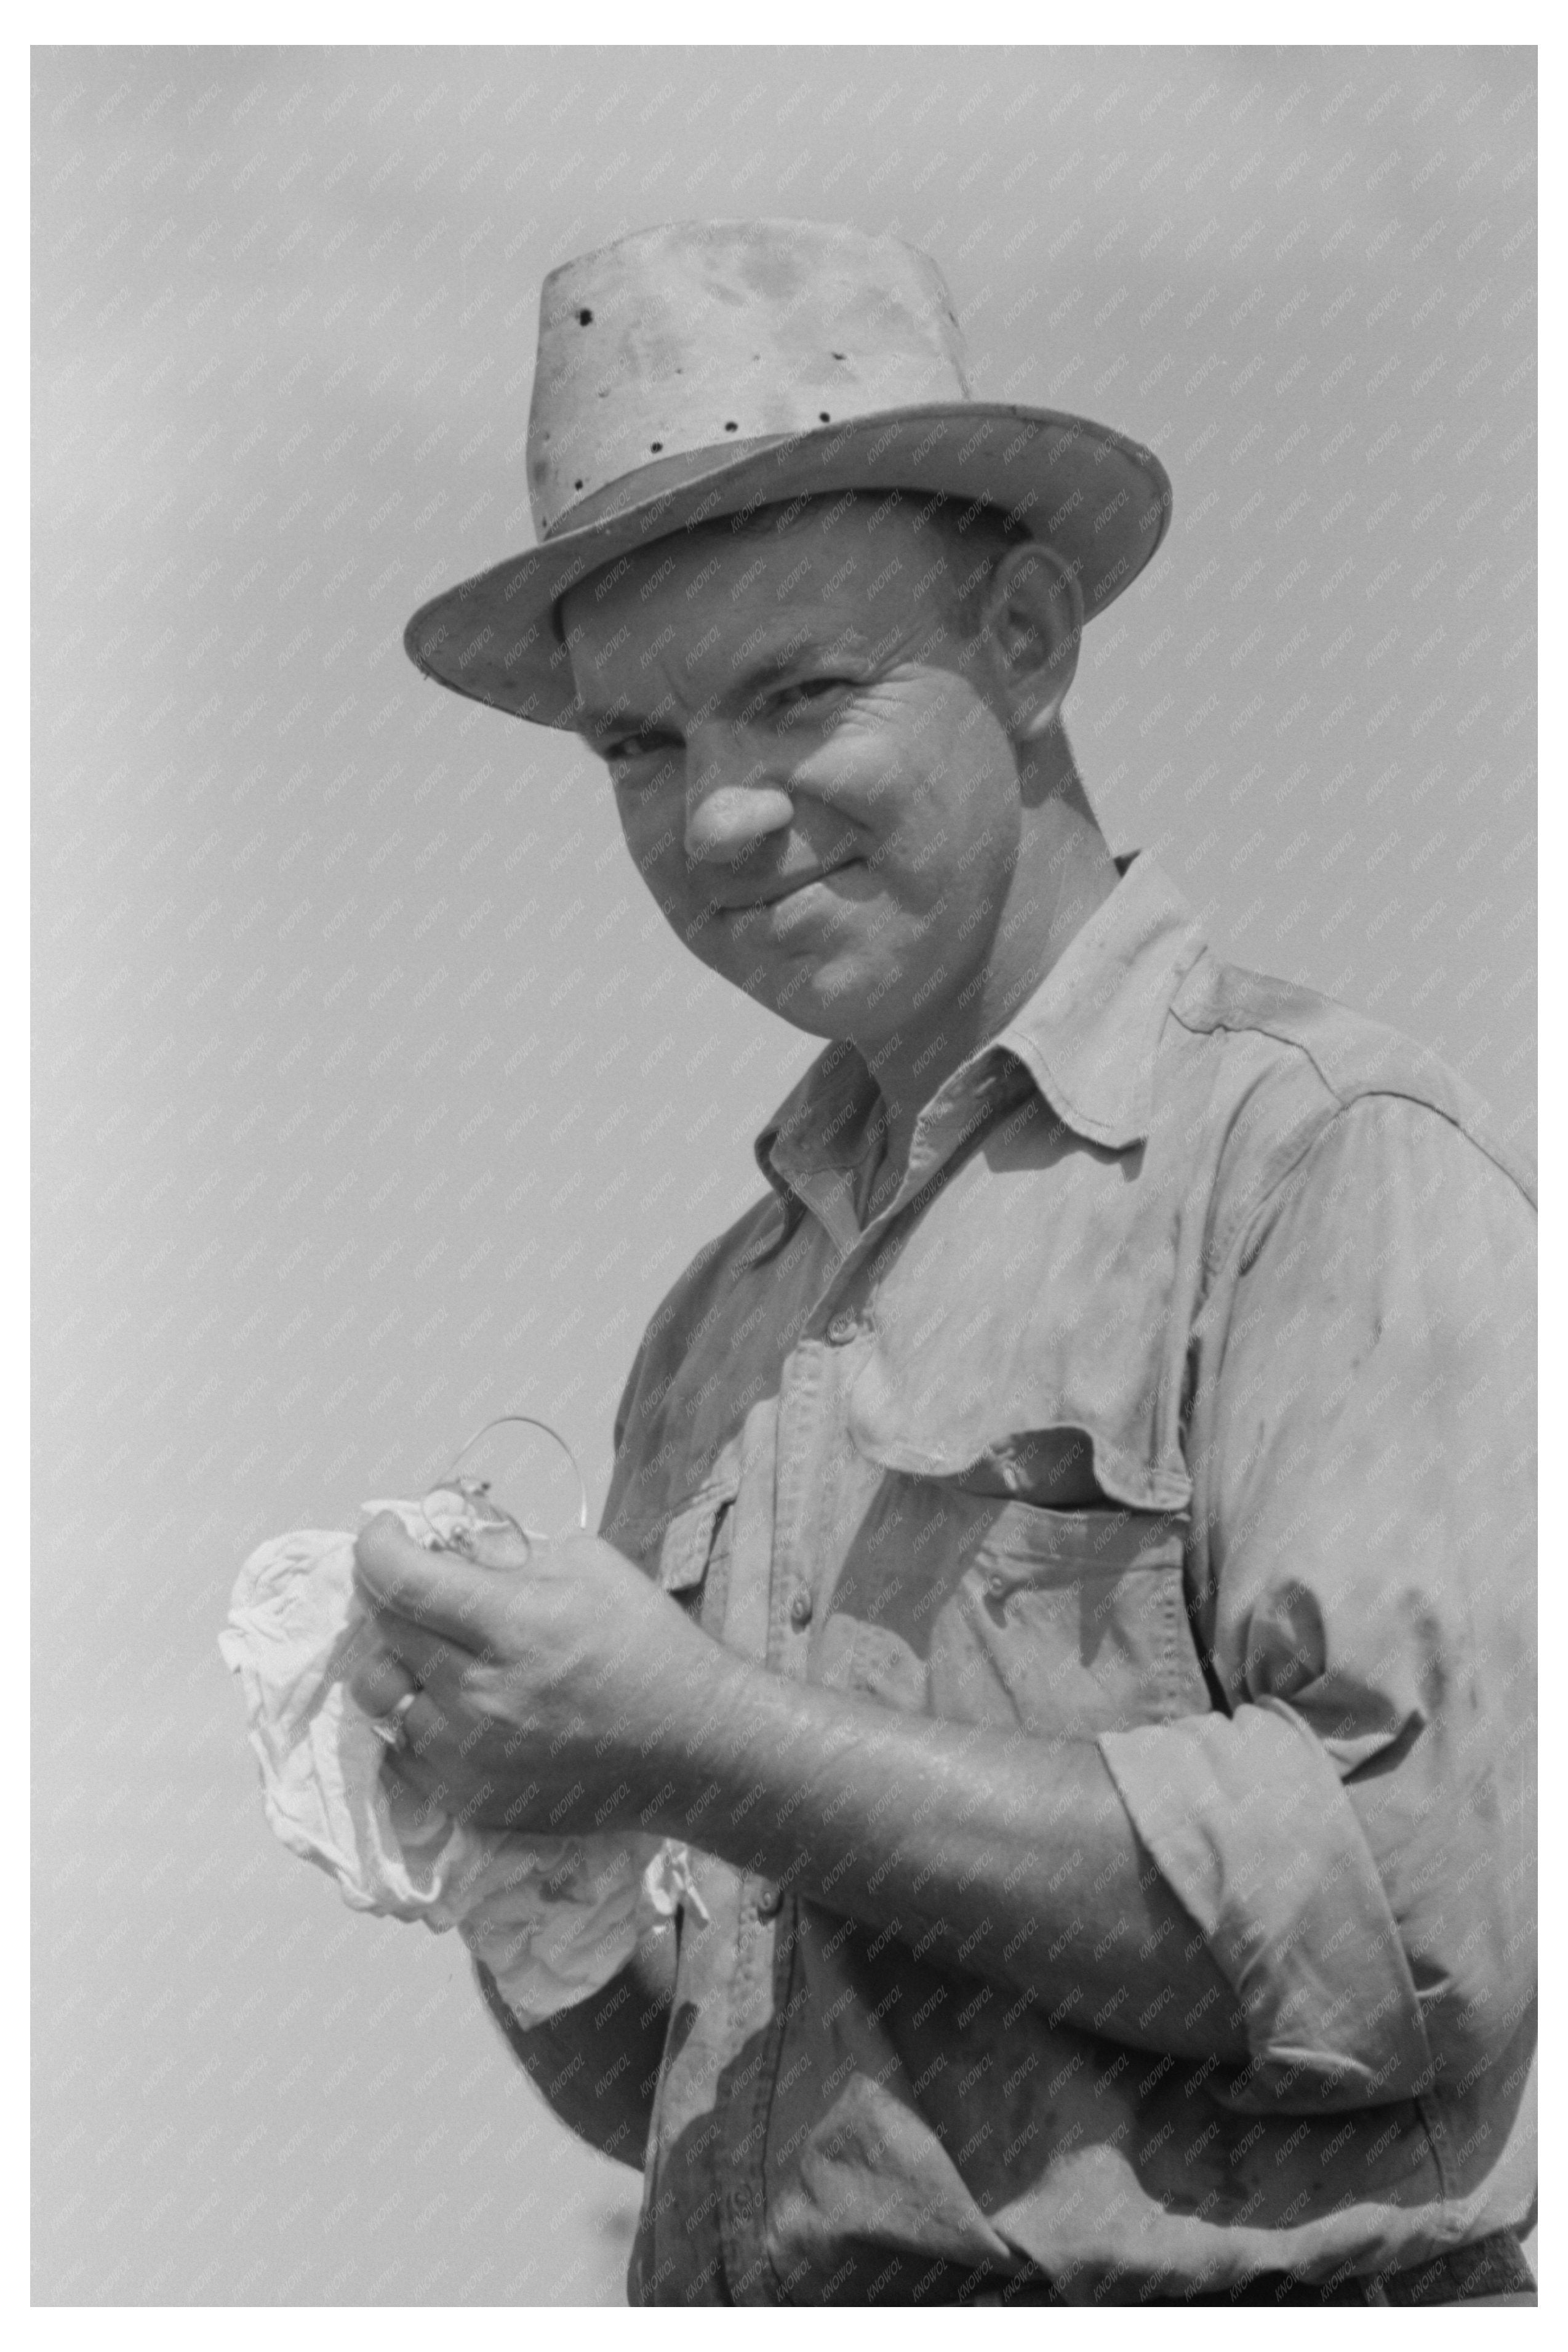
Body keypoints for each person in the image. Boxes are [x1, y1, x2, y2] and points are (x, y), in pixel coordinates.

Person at [348, 220, 1536, 2306]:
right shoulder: (716, 1324)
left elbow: (1416, 1931)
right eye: (637, 745)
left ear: (1024, 634)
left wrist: (691, 1732)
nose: (716, 817)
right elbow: (700, 2099)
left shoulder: (1311, 1160)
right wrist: (520, 1843)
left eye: (796, 694)